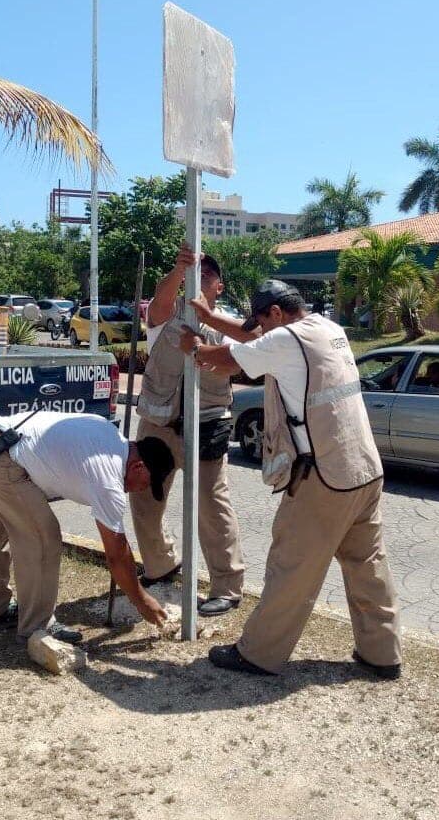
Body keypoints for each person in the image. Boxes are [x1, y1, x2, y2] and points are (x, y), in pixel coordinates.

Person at [179, 279, 402, 678]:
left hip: (325, 476)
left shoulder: (285, 341)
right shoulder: (328, 329)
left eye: (263, 321)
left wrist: (195, 348)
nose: (261, 329)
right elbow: (252, 341)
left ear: (277, 314)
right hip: (365, 470)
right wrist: (212, 318)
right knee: (367, 565)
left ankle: (258, 654)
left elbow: (231, 358)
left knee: (291, 566)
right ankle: (382, 654)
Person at [0, 411, 174, 644]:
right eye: (147, 483)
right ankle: (37, 628)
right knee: (43, 538)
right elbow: (117, 555)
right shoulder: (109, 478)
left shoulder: (107, 433)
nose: (141, 490)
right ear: (138, 467)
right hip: (5, 460)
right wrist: (142, 600)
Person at [130, 241, 245, 616]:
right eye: (196, 273)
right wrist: (179, 270)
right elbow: (158, 305)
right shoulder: (167, 315)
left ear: (219, 288)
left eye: (208, 275)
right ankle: (160, 564)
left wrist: (200, 347)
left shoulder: (225, 326)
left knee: (213, 508)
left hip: (205, 428)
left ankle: (227, 587)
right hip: (158, 424)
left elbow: (234, 366)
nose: (201, 279)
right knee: (144, 500)